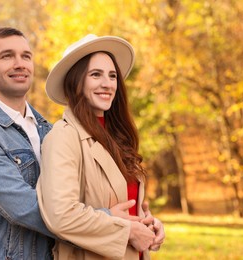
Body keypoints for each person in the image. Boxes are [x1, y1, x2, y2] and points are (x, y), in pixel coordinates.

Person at [0, 27, 163, 259]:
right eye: (7, 56)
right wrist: (114, 223)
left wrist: (140, 222)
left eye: (26, 56)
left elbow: (81, 199)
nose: (20, 64)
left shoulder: (45, 129)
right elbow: (29, 208)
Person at [37, 34, 164, 260]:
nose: (107, 83)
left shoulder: (118, 137)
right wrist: (127, 231)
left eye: (112, 76)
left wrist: (149, 222)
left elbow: (127, 202)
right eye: (95, 74)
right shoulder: (63, 137)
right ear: (76, 81)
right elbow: (61, 215)